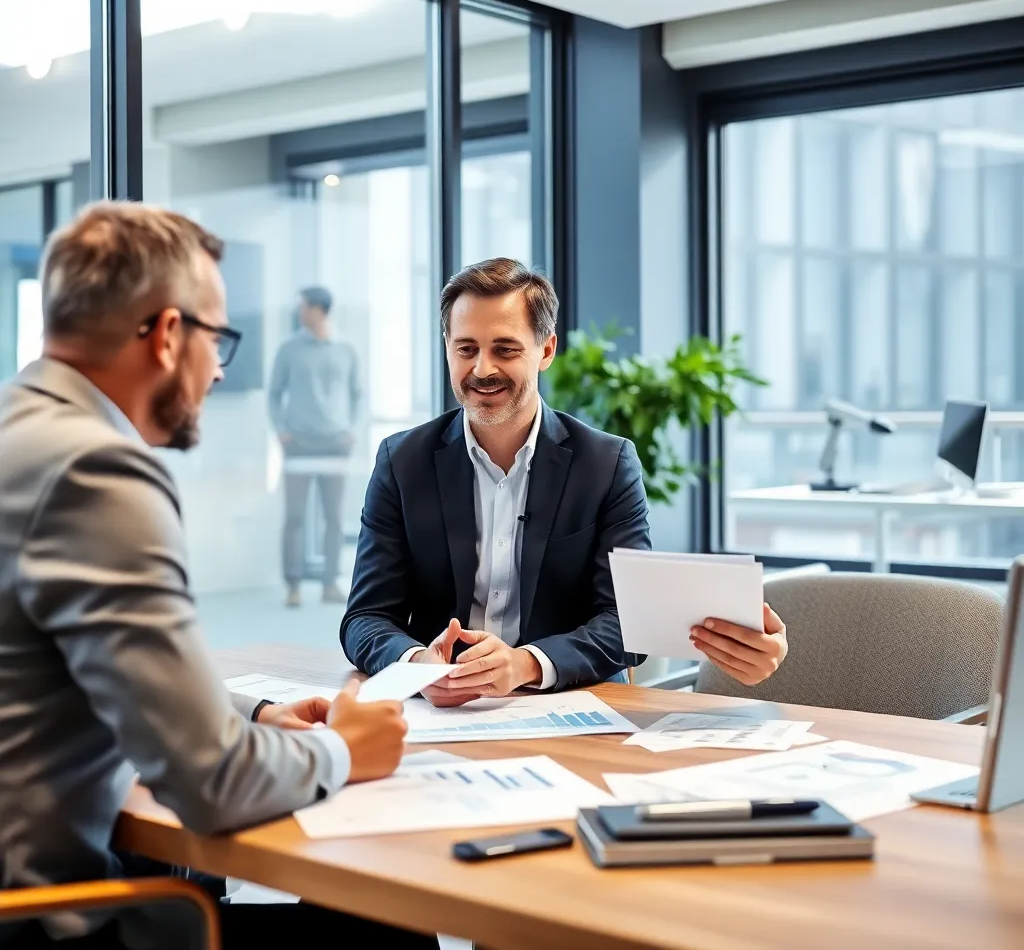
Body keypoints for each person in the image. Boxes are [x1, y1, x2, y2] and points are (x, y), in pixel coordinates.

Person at [0, 202, 435, 949]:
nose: (221, 365)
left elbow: (86, 674)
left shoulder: (20, 430)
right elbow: (212, 784)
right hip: (54, 921)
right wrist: (345, 750)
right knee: (381, 920)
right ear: (170, 335)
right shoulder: (97, 469)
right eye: (217, 337)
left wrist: (253, 713)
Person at [341, 258, 787, 705]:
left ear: (546, 350)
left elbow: (624, 622)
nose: (481, 369)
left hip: (569, 704)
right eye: (466, 348)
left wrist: (526, 665)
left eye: (505, 349)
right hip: (439, 711)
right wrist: (419, 665)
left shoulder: (606, 463)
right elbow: (366, 616)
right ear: (447, 347)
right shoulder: (402, 462)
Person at [268, 286, 361, 609]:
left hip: (335, 443)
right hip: (299, 444)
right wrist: (281, 431)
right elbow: (274, 393)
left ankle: (329, 582)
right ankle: (292, 585)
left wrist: (352, 430)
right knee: (294, 515)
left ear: (319, 310)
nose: (299, 312)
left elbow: (357, 393)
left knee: (333, 517)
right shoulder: (289, 349)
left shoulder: (346, 348)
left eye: (303, 307)